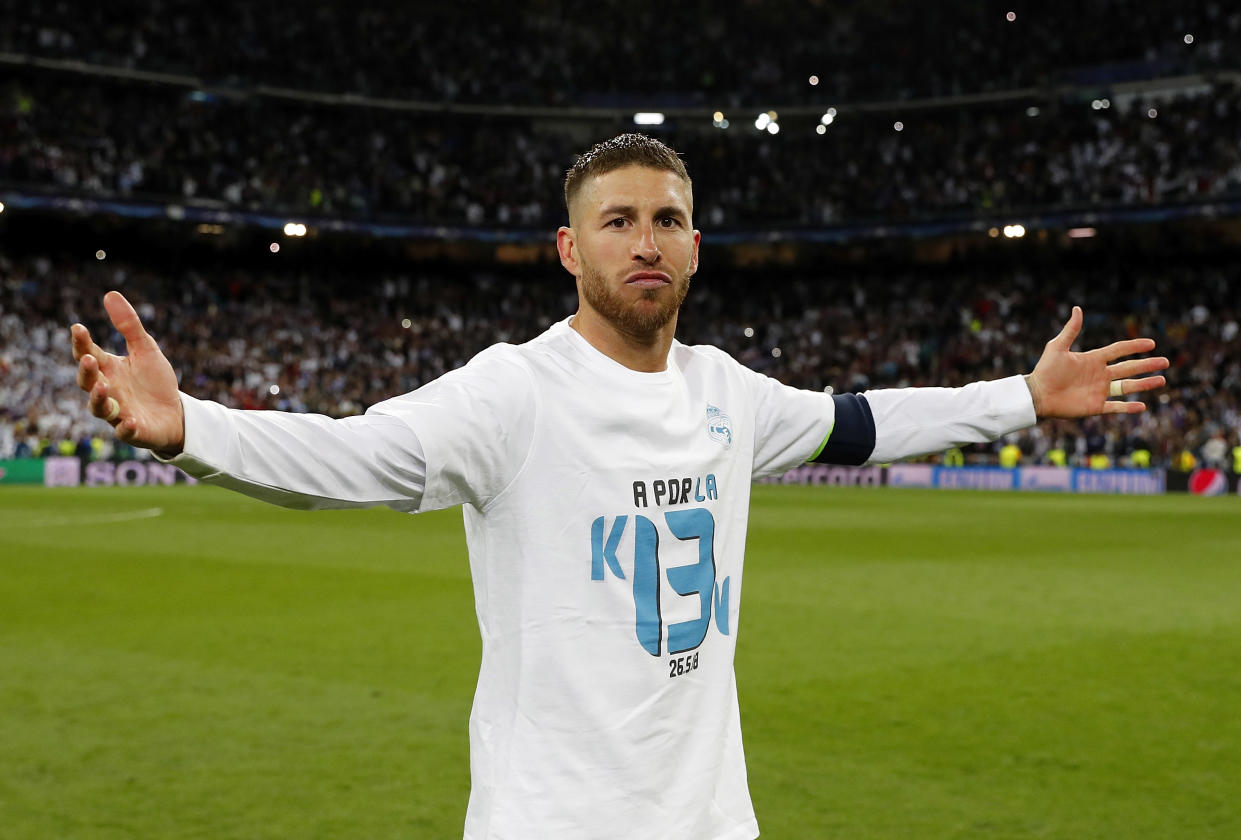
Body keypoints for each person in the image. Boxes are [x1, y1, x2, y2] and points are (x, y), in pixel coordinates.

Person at [69, 134, 1169, 840]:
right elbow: (356, 458)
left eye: (666, 220)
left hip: (709, 820)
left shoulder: (724, 392)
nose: (644, 241)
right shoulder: (514, 393)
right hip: (549, 823)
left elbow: (863, 421)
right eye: (617, 220)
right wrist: (188, 429)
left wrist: (1020, 398)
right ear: (567, 249)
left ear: (694, 246)